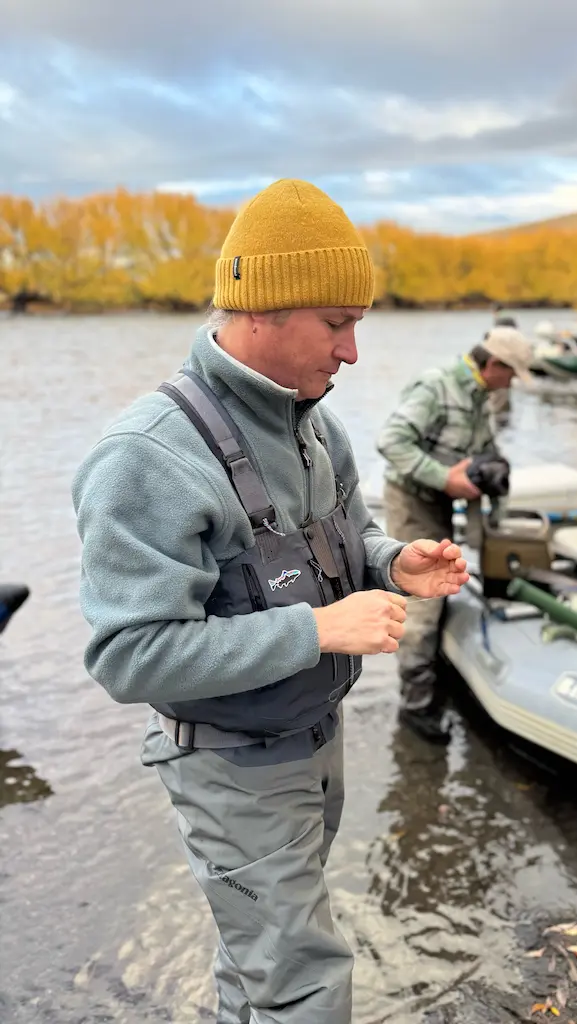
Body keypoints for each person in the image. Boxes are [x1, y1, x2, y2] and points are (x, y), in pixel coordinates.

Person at [71, 179, 470, 1024]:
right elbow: (127, 656)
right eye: (336, 323)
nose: (353, 352)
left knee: (257, 959)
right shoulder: (146, 456)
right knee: (308, 984)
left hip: (316, 740)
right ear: (262, 309)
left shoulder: (317, 423)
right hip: (232, 766)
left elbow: (353, 537)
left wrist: (394, 563)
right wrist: (318, 629)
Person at [376, 326, 534, 744]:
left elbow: (486, 451)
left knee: (445, 587)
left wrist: (495, 486)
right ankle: (416, 707)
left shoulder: (481, 398)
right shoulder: (437, 386)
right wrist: (444, 477)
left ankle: (435, 672)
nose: (511, 383)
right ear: (493, 364)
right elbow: (390, 441)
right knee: (422, 605)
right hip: (413, 502)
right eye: (511, 373)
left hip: (444, 502)